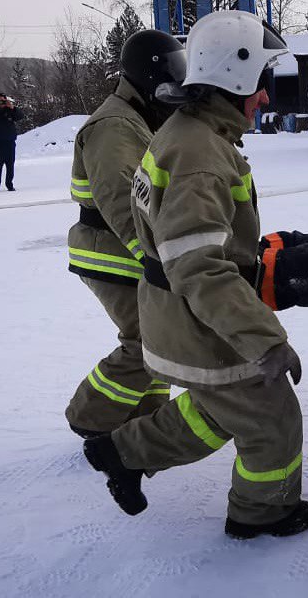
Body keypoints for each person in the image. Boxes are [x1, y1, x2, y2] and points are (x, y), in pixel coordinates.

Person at [83, 10, 308, 541]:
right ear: (235, 78)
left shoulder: (188, 133)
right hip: (199, 325)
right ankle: (264, 512)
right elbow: (198, 264)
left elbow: (188, 241)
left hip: (176, 317)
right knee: (271, 420)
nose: (264, 98)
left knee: (219, 411)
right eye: (260, 83)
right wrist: (264, 339)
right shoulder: (200, 152)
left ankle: (123, 452)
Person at [65, 30, 187, 439]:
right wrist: (152, 258)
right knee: (144, 342)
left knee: (158, 339)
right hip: (110, 251)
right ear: (150, 74)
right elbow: (120, 200)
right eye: (173, 69)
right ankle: (89, 418)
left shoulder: (139, 115)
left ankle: (146, 419)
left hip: (127, 249)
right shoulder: (114, 125)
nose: (178, 78)